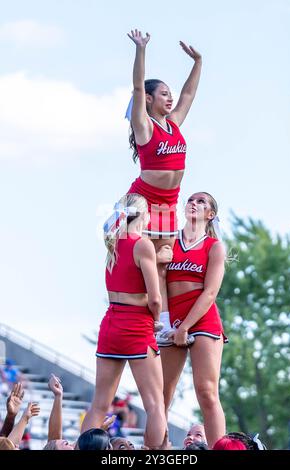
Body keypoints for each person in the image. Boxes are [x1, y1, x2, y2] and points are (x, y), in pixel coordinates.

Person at [124, 29, 202, 340]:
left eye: (170, 94)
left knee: (163, 266)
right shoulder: (144, 126)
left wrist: (198, 62)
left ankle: (165, 326)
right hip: (142, 203)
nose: (170, 98)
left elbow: (188, 95)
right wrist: (141, 49)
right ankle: (148, 320)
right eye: (164, 94)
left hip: (168, 204)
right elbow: (136, 88)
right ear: (150, 99)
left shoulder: (174, 123)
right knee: (143, 264)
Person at [81, 193, 167, 450]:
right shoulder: (143, 244)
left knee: (99, 404)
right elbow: (154, 298)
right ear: (142, 214)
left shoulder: (113, 241)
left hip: (111, 324)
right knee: (155, 404)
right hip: (137, 326)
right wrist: (156, 321)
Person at [161, 192, 227, 449]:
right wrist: (168, 323)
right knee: (161, 396)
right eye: (190, 200)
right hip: (171, 322)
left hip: (202, 321)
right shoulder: (168, 241)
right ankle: (160, 448)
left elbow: (210, 292)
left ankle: (219, 447)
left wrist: (186, 325)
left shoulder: (214, 246)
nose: (193, 203)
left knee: (207, 392)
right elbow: (160, 283)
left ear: (210, 214)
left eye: (201, 201)